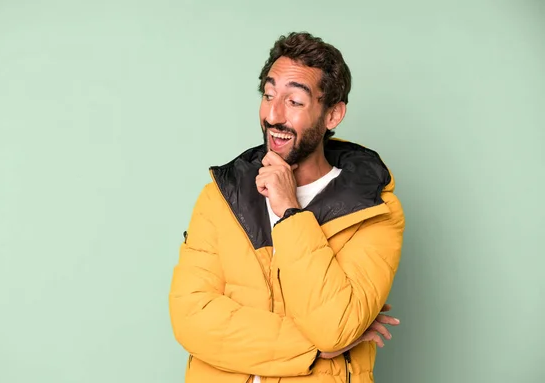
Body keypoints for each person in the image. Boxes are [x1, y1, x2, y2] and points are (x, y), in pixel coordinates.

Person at [169, 31, 405, 383]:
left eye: (294, 101)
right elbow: (191, 317)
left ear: (333, 115)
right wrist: (314, 349)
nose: (273, 115)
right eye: (268, 95)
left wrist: (290, 212)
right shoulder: (221, 196)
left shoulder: (374, 210)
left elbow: (333, 327)